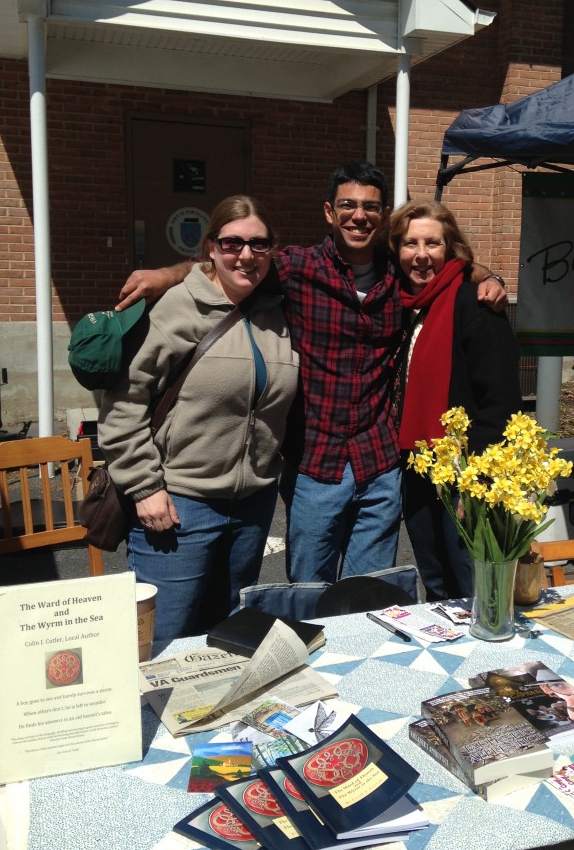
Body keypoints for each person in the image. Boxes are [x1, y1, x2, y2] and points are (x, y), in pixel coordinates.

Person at [115, 162, 508, 585]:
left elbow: (448, 263)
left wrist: (488, 275)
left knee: (369, 600)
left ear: (383, 213)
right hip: (316, 467)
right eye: (348, 205)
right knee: (308, 597)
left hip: (379, 465)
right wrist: (165, 275)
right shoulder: (296, 269)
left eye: (370, 207)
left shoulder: (398, 275)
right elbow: (226, 264)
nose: (359, 216)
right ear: (328, 211)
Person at [99, 196, 299, 640]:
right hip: (179, 504)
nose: (245, 255)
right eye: (232, 244)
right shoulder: (177, 308)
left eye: (258, 244)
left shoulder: (278, 314)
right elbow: (123, 403)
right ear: (210, 248)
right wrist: (144, 486)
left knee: (224, 634)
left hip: (252, 505)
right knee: (164, 637)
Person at [387, 200, 522, 601]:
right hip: (418, 467)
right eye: (411, 244)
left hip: (464, 474)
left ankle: (488, 659)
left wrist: (478, 479)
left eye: (433, 243)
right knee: (435, 576)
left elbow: (499, 404)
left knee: (470, 580)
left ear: (451, 249)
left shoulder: (476, 305)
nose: (422, 255)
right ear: (397, 250)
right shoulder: (403, 306)